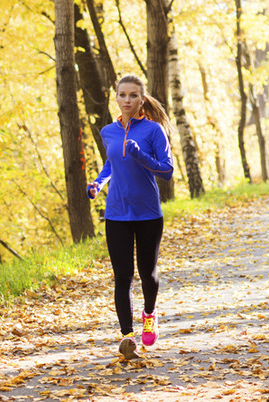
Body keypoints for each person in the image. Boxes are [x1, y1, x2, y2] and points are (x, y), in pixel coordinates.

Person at [87, 75, 174, 360]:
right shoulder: (108, 132)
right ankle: (127, 337)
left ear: (141, 99)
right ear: (116, 98)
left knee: (147, 273)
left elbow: (167, 170)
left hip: (148, 213)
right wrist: (98, 184)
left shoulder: (154, 131)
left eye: (133, 95)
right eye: (122, 95)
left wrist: (141, 157)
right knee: (122, 275)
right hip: (116, 214)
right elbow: (112, 163)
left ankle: (149, 314)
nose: (127, 100)